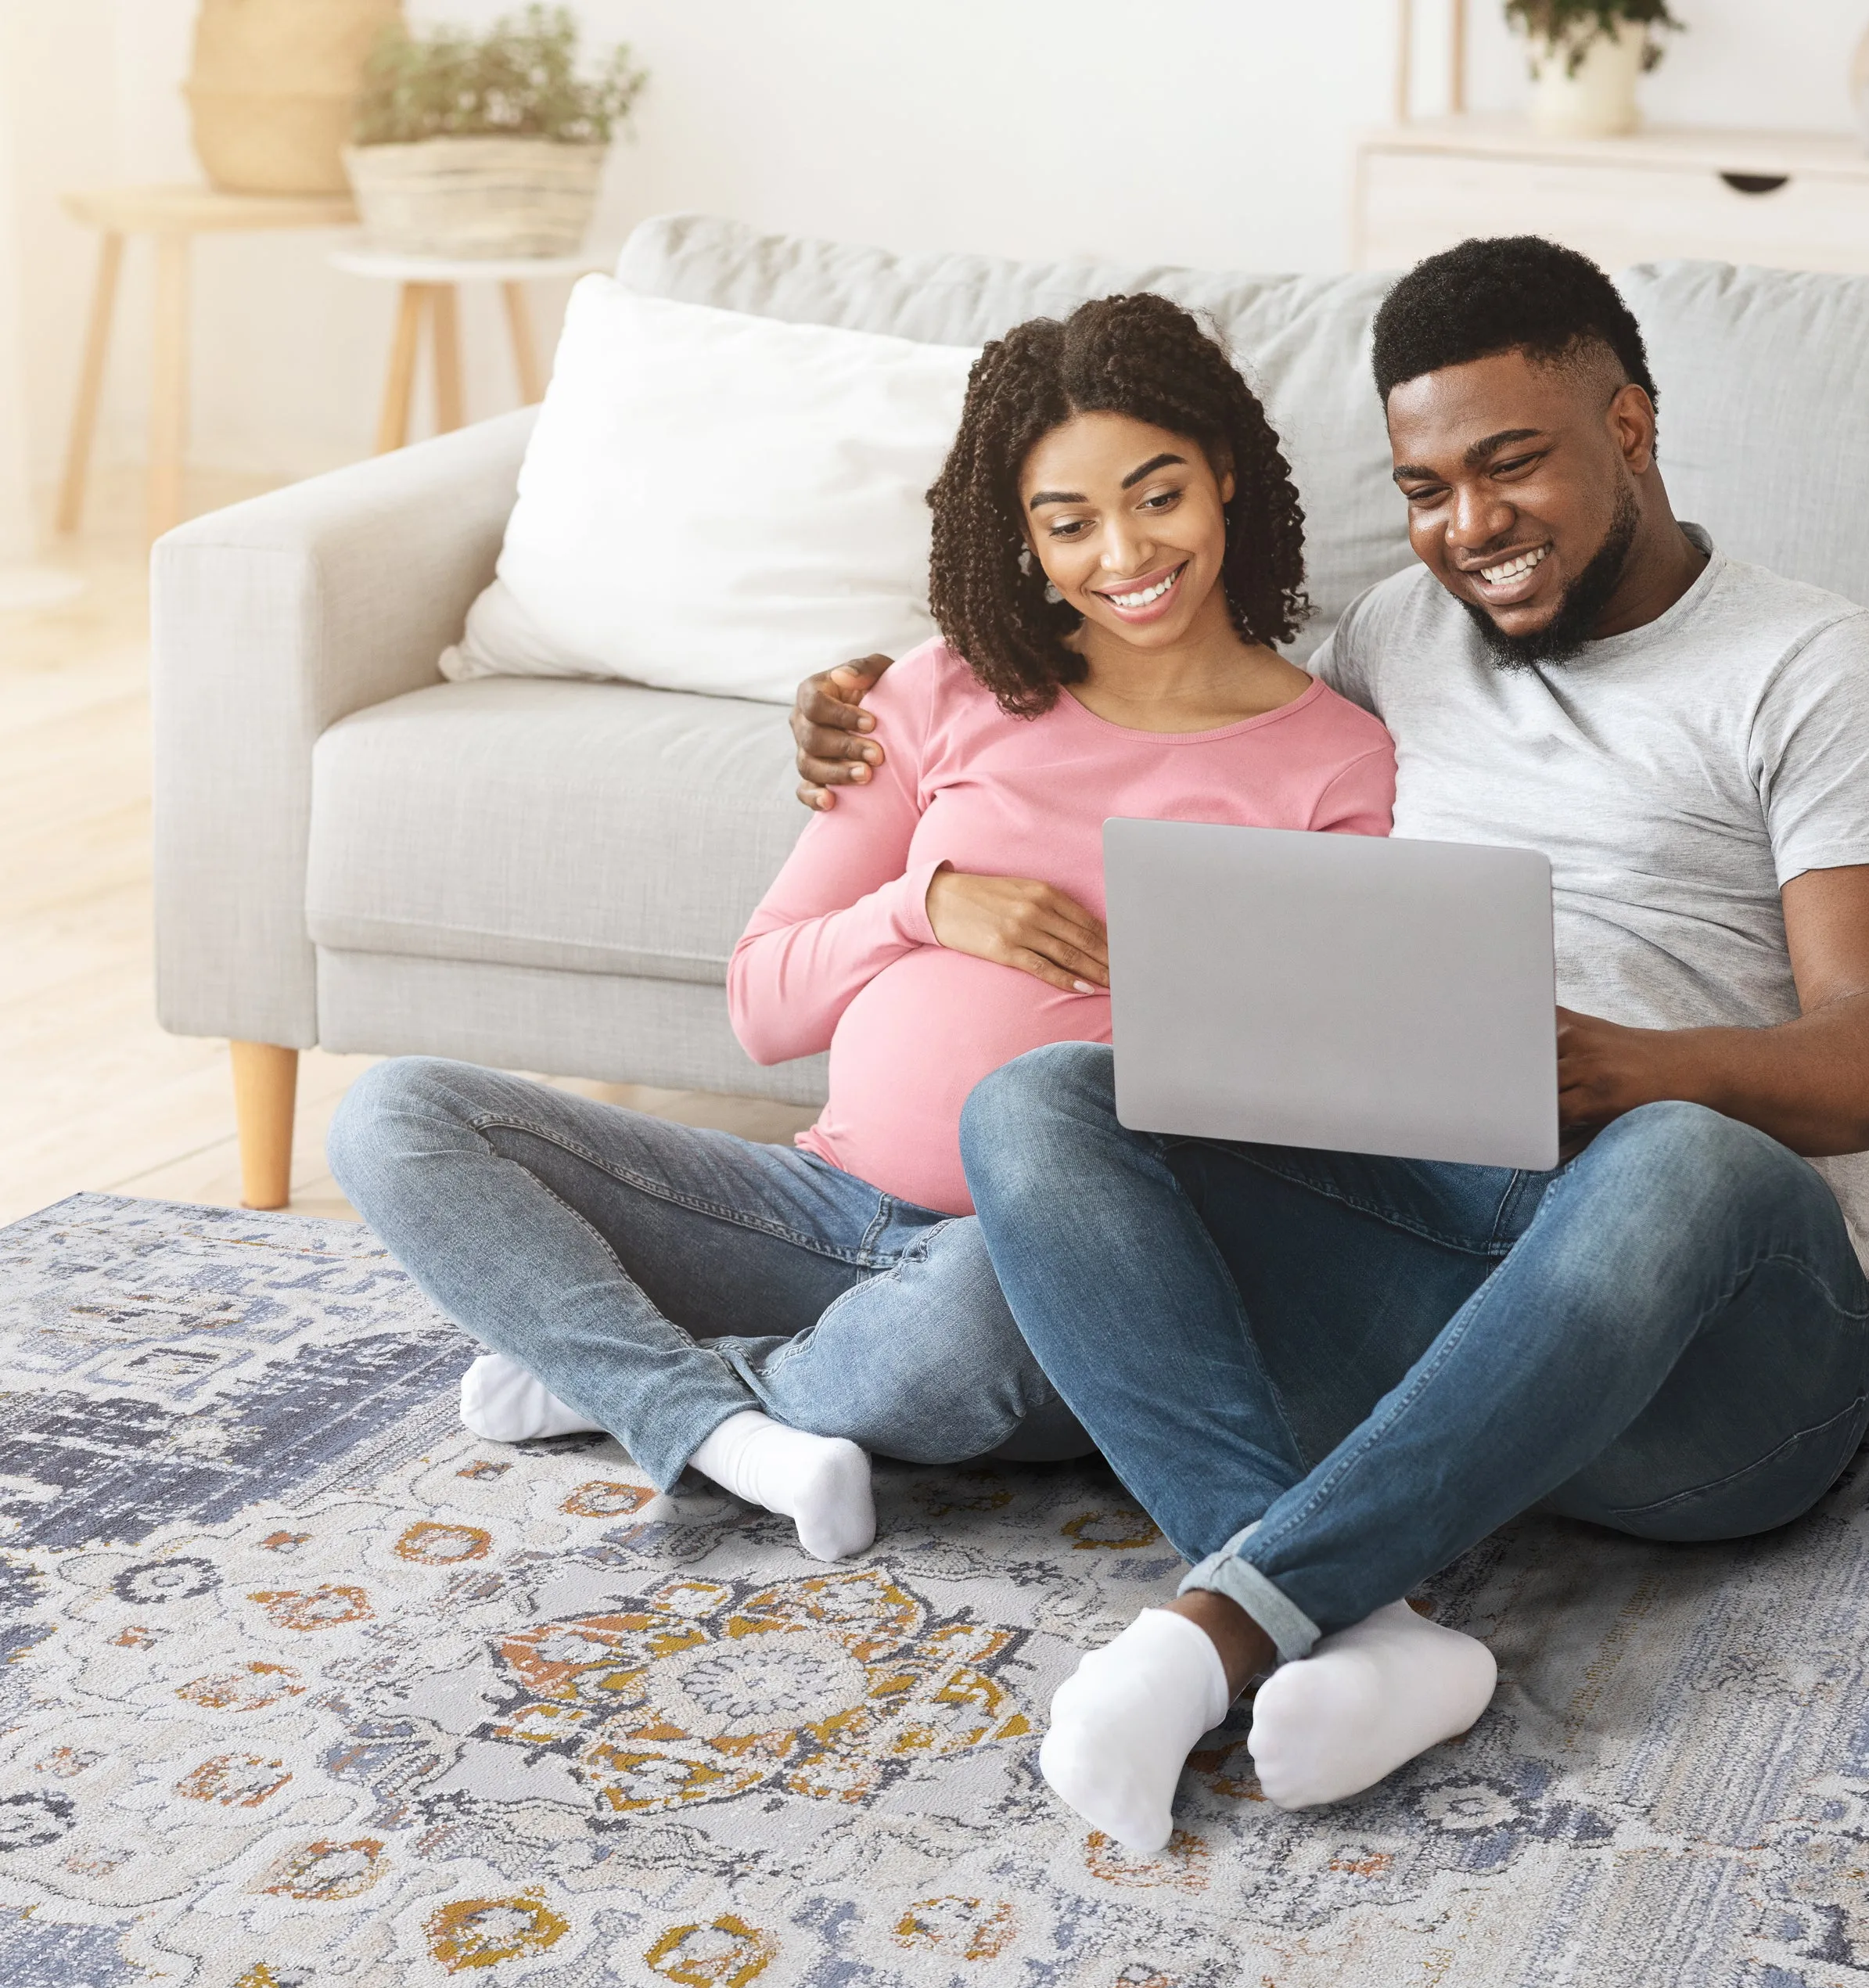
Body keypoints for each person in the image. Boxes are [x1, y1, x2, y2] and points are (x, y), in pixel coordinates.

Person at [787, 235, 1869, 1854]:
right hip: (1444, 1264)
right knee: (1050, 1102)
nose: (1468, 527)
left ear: (1629, 427)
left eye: (1511, 466)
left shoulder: (1823, 671)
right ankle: (1373, 1628)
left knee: (1683, 1158)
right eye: (1425, 487)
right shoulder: (1396, 640)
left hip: (1721, 1353)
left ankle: (1223, 1627)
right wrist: (882, 705)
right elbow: (1162, 706)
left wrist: (1627, 1069)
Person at [328, 292, 1395, 1563]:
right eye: (1070, 523)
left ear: (1224, 474)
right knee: (398, 1114)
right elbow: (762, 1005)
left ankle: (638, 1384)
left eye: (1157, 497)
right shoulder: (941, 692)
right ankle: (719, 1414)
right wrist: (927, 905)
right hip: (809, 1207)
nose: (1124, 554)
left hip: (1031, 1274)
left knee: (987, 1312)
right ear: (1024, 538)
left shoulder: (1337, 765)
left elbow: (1323, 1099)